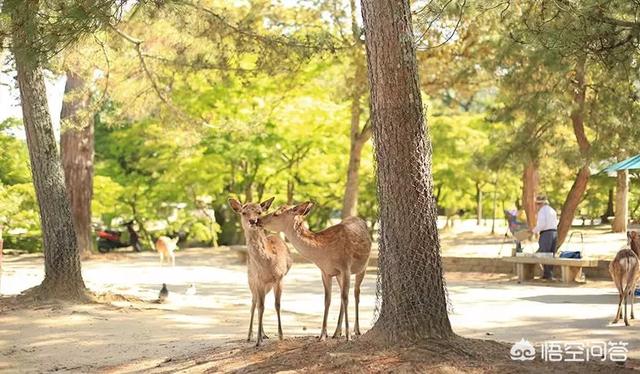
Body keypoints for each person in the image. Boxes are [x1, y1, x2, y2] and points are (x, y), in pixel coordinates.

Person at [531, 195, 558, 279]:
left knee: (545, 253)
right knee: (551, 253)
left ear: (540, 204)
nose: (536, 206)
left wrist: (533, 231)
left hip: (546, 233)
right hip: (554, 232)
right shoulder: (552, 210)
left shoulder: (542, 211)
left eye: (537, 204)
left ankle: (547, 274)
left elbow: (541, 225)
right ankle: (549, 273)